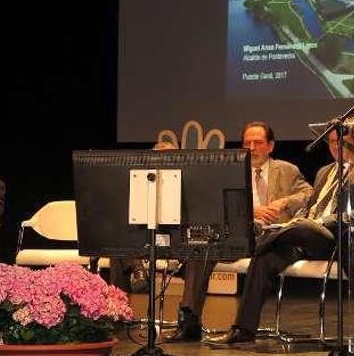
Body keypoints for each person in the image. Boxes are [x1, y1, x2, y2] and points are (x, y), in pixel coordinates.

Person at [205, 122, 354, 346]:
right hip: (305, 237)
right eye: (331, 142)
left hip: (338, 238)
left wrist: (314, 222)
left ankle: (253, 244)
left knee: (301, 227)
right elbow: (310, 206)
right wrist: (300, 220)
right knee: (264, 259)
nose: (335, 147)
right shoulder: (325, 172)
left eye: (341, 142)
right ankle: (243, 329)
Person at [167, 121, 314, 342]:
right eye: (247, 143)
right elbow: (216, 203)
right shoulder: (232, 170)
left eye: (258, 142)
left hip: (272, 237)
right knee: (200, 250)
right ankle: (190, 322)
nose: (252, 148)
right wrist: (251, 211)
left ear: (270, 146)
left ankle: (241, 328)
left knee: (263, 255)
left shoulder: (286, 170)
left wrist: (284, 202)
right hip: (239, 235)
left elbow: (309, 194)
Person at [108, 139, 178, 293]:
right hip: (145, 240)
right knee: (118, 250)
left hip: (172, 239)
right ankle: (118, 309)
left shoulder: (181, 185)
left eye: (168, 160)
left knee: (123, 251)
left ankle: (137, 270)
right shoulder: (143, 186)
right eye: (158, 161)